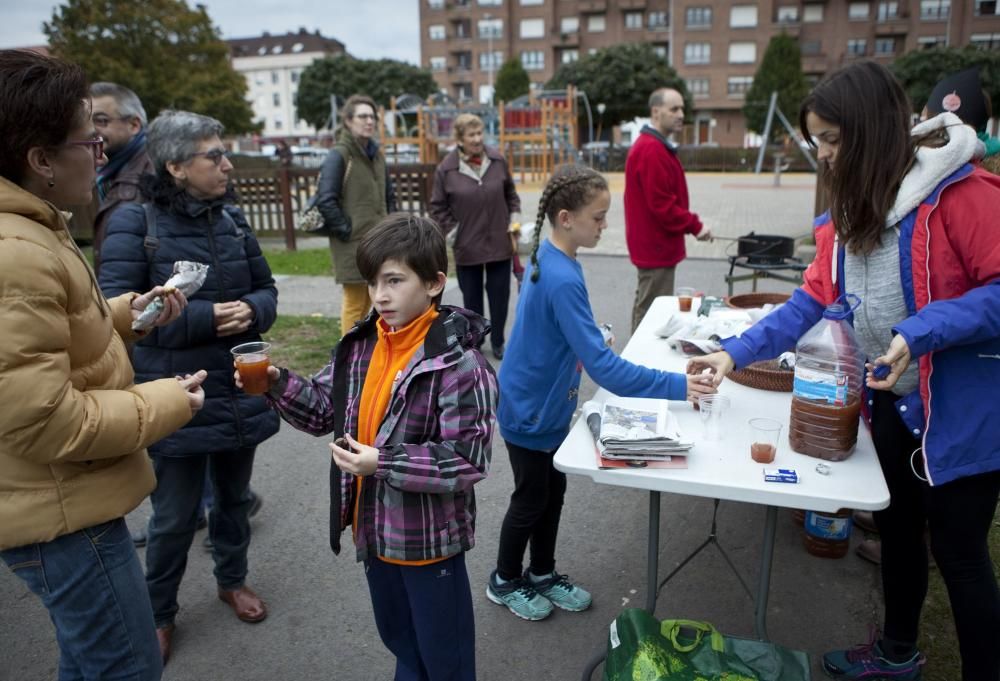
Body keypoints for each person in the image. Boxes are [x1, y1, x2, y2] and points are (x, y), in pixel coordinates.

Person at [688, 62, 1000, 681]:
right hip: (892, 408)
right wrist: (730, 352)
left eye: (833, 139)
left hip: (961, 414)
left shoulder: (967, 197)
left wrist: (921, 331)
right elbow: (808, 302)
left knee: (960, 556)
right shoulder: (851, 213)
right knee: (899, 535)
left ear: (874, 130)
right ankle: (896, 653)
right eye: (818, 142)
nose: (825, 156)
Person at [0, 49, 205, 681]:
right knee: (124, 667)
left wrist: (121, 314)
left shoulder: (32, 230)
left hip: (59, 505)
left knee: (89, 662)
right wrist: (169, 400)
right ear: (39, 159)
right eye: (87, 140)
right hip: (63, 518)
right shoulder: (18, 252)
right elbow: (44, 422)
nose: (100, 152)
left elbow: (44, 338)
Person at [242, 213, 496, 681]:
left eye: (395, 280)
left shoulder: (461, 365)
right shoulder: (362, 344)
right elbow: (324, 410)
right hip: (374, 532)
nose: (380, 295)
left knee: (446, 659)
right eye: (374, 281)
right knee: (401, 642)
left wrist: (383, 462)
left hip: (428, 545)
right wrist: (276, 382)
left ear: (435, 283)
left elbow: (466, 459)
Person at [488, 165, 717, 621]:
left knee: (552, 491)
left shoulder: (553, 257)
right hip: (530, 408)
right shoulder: (561, 275)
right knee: (532, 497)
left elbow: (552, 329)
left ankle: (542, 572)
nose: (605, 225)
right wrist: (678, 385)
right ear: (567, 217)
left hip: (539, 401)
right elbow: (608, 372)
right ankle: (504, 578)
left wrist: (588, 336)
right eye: (599, 216)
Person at [99, 110, 280, 664]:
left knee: (231, 501)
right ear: (176, 165)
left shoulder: (233, 220)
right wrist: (203, 318)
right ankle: (158, 613)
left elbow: (268, 291)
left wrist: (250, 309)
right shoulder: (135, 223)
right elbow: (116, 314)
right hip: (174, 391)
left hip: (235, 388)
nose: (227, 164)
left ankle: (233, 579)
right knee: (174, 516)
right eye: (214, 155)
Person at [430, 112, 522, 360]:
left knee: (500, 297)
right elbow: (437, 206)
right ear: (459, 138)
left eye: (480, 133)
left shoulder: (497, 160)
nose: (477, 138)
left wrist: (514, 219)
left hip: (499, 243)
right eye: (471, 134)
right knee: (472, 301)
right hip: (467, 246)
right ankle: (476, 341)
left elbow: (511, 195)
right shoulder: (446, 169)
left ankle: (499, 341)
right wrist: (454, 233)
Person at [624, 87, 712, 333]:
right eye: (674, 109)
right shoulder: (651, 149)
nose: (681, 114)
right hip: (655, 245)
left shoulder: (654, 146)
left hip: (654, 244)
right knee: (651, 308)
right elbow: (662, 206)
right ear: (655, 112)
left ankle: (636, 361)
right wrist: (696, 226)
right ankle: (638, 364)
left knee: (647, 301)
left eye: (682, 108)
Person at [314, 94, 397, 337]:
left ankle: (366, 351)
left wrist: (390, 227)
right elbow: (325, 200)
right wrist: (347, 231)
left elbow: (388, 195)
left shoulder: (376, 154)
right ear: (349, 121)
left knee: (374, 300)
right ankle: (347, 357)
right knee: (354, 302)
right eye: (363, 116)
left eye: (372, 117)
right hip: (352, 243)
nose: (369, 121)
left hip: (378, 240)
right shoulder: (340, 155)